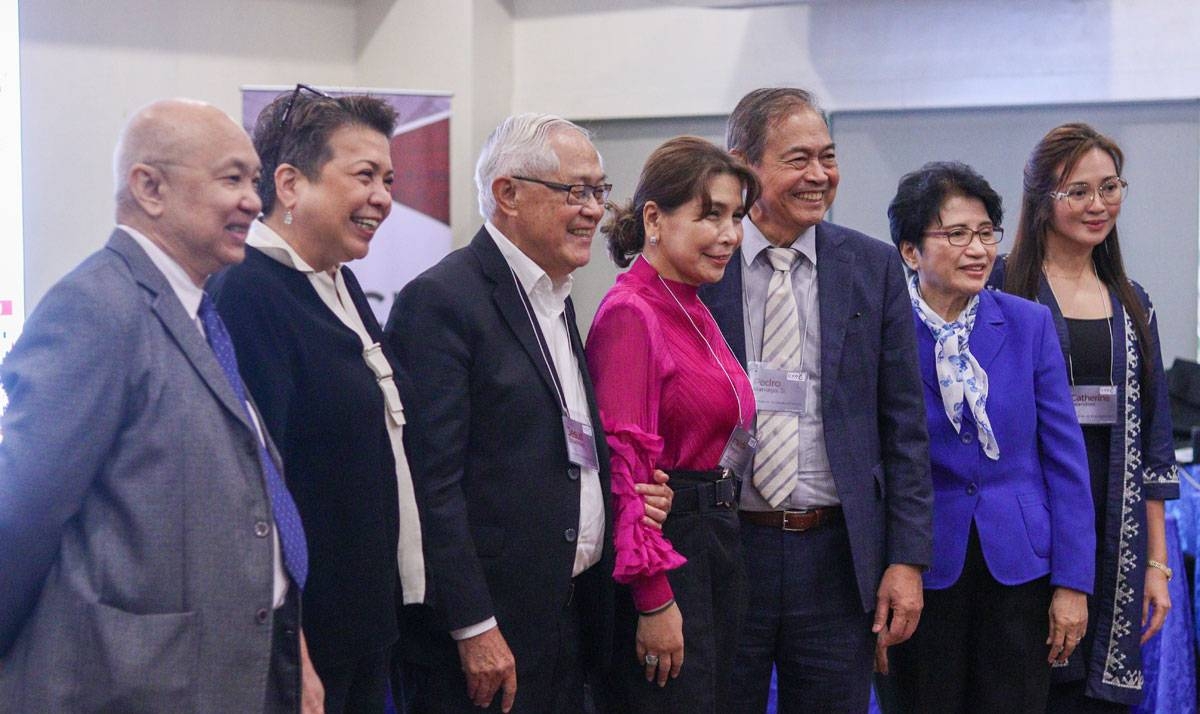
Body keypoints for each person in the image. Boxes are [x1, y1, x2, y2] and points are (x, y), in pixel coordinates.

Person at [0, 99, 322, 712]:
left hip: (237, 670)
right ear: (149, 188)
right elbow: (21, 511)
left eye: (253, 182)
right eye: (232, 179)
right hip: (134, 685)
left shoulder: (199, 310)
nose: (254, 202)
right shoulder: (95, 309)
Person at [385, 113, 672, 714]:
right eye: (576, 191)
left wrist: (620, 499)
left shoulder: (556, 295)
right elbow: (430, 484)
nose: (595, 209)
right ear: (507, 195)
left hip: (570, 618)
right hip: (490, 635)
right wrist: (472, 625)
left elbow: (560, 448)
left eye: (600, 190)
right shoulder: (442, 301)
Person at [698, 87, 932, 713]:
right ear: (743, 163)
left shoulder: (873, 266)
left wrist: (907, 561)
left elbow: (904, 426)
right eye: (798, 158)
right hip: (726, 548)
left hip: (835, 557)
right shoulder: (699, 264)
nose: (820, 175)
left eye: (828, 156)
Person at [209, 87, 426, 713]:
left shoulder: (342, 282)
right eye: (364, 176)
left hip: (367, 626)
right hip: (307, 643)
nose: (383, 197)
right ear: (290, 183)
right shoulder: (247, 294)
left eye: (388, 178)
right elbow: (253, 491)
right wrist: (293, 649)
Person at [884, 160, 1096, 713]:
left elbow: (1065, 460)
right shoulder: (883, 332)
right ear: (911, 252)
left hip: (1020, 562)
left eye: (985, 233)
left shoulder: (1027, 324)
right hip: (920, 566)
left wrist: (1074, 582)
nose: (977, 249)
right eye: (956, 235)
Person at [994, 123, 1180, 712]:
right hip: (1026, 514)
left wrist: (1157, 564)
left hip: (1114, 515)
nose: (1097, 206)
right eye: (1078, 191)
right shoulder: (1001, 286)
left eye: (1110, 188)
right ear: (1042, 200)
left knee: (1095, 691)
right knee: (1026, 683)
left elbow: (1155, 442)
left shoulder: (1133, 301)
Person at [586, 136, 760, 710]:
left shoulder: (690, 301)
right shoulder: (633, 312)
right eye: (710, 215)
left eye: (736, 217)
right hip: (667, 552)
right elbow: (627, 478)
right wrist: (654, 598)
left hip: (713, 538)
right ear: (655, 218)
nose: (730, 235)